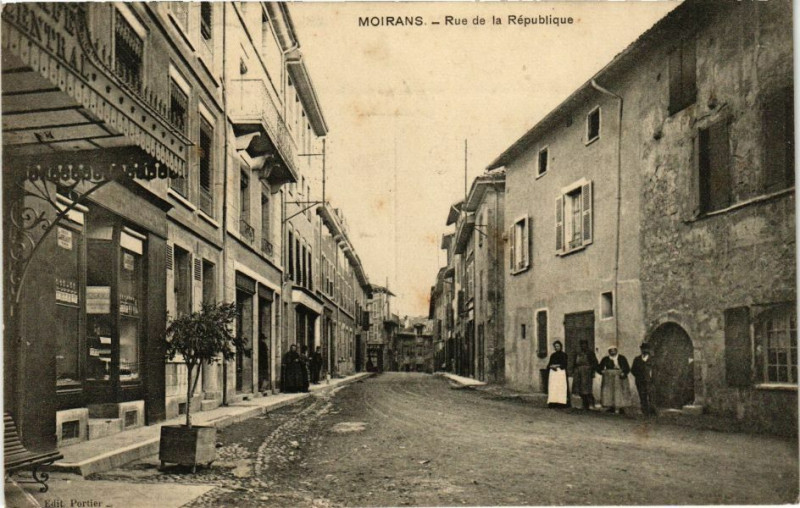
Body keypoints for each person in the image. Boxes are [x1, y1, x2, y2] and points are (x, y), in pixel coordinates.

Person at [598, 345, 632, 414]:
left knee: (619, 392)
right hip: (609, 379)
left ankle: (620, 407)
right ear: (609, 352)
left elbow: (627, 368)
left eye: (614, 350)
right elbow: (599, 368)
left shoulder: (622, 358)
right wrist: (602, 371)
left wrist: (624, 373)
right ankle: (611, 406)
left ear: (616, 351)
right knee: (609, 392)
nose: (613, 352)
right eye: (611, 351)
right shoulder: (605, 359)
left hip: (619, 379)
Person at [571, 340, 599, 410]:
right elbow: (574, 363)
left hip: (587, 373)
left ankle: (591, 404)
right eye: (582, 345)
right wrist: (573, 371)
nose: (583, 346)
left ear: (587, 345)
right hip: (578, 372)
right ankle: (584, 404)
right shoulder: (578, 353)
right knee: (580, 389)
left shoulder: (590, 353)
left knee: (587, 390)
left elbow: (595, 363)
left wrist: (591, 370)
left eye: (584, 344)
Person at [631, 342, 656, 416]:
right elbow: (633, 369)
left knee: (651, 396)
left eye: (646, 349)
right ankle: (645, 412)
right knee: (642, 396)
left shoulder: (652, 360)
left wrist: (652, 378)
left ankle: (652, 411)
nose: (645, 351)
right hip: (640, 381)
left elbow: (657, 370)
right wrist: (638, 376)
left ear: (649, 350)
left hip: (650, 381)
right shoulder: (637, 359)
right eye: (643, 349)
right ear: (641, 350)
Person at [546, 340, 569, 408]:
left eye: (558, 346)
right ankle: (553, 402)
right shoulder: (553, 355)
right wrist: (551, 366)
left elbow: (564, 364)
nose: (557, 347)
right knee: (553, 387)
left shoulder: (564, 355)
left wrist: (557, 366)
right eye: (555, 346)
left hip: (560, 373)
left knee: (561, 387)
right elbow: (549, 364)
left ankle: (561, 402)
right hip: (553, 373)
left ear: (561, 347)